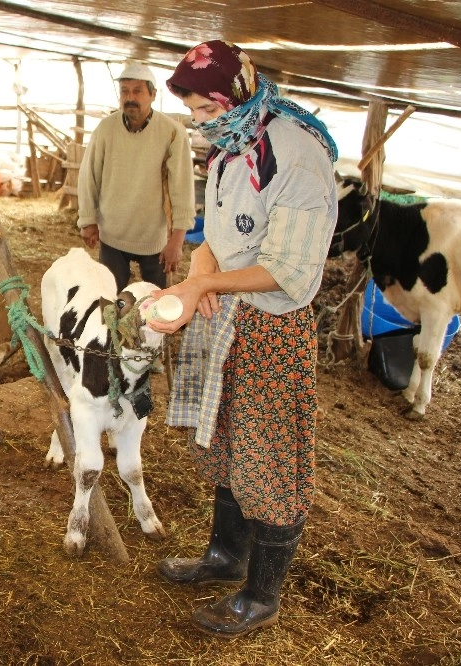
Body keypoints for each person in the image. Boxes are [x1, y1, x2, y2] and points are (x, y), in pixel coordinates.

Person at [145, 40, 339, 638]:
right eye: (195, 113)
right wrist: (196, 284)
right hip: (229, 312)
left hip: (272, 328)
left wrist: (206, 288)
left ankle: (262, 593)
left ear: (237, 92)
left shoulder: (296, 156)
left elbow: (286, 271)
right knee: (227, 440)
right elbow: (213, 237)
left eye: (206, 109)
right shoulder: (234, 147)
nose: (201, 123)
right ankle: (225, 556)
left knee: (268, 454)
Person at [76, 61, 197, 293]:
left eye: (137, 91)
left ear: (152, 94)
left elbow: (182, 187)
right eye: (125, 91)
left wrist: (177, 241)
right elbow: (89, 175)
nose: (130, 97)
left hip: (154, 238)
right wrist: (88, 220)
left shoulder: (172, 133)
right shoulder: (105, 129)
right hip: (112, 233)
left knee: (153, 305)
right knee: (108, 300)